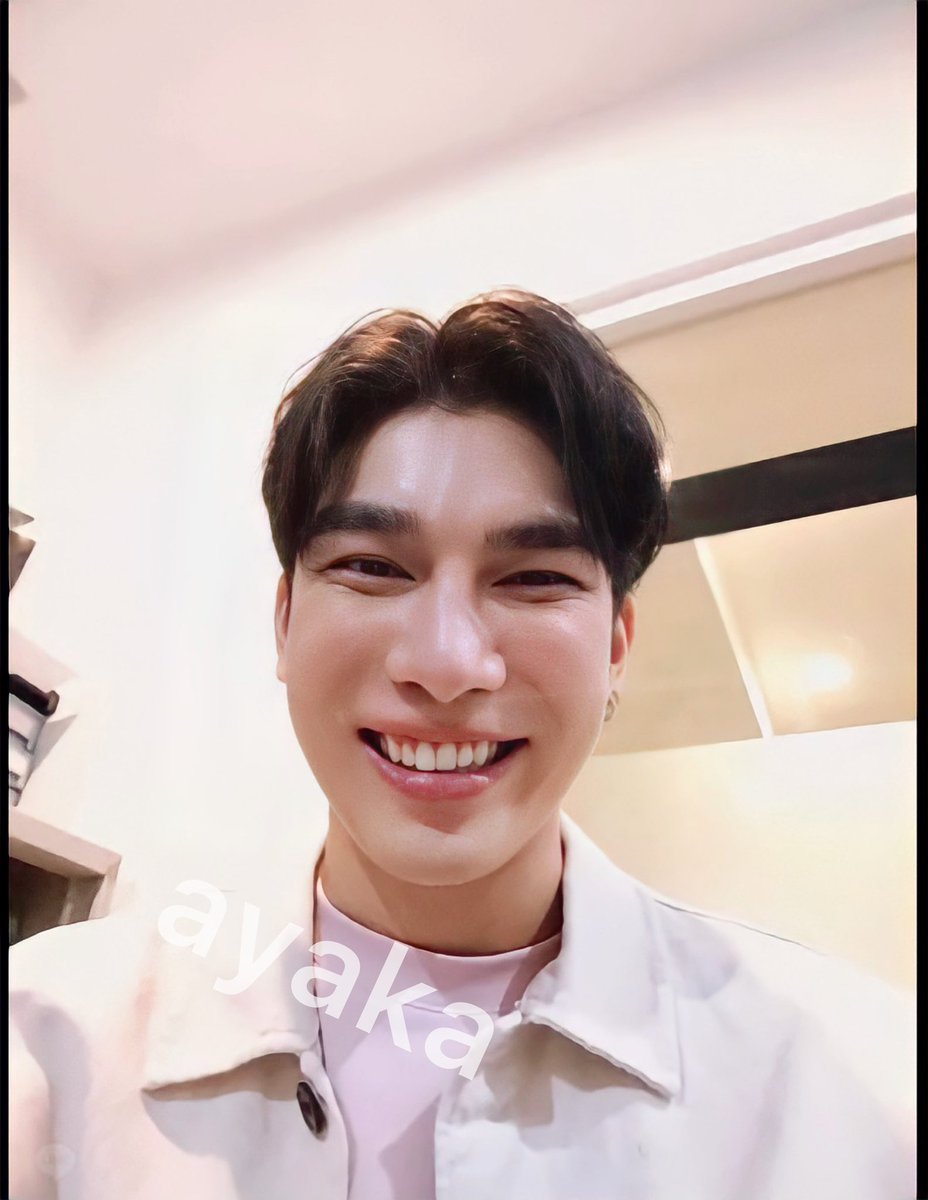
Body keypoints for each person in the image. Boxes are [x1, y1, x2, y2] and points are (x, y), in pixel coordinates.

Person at [9, 292, 915, 1200]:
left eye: (534, 578)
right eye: (372, 567)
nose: (446, 665)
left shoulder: (857, 1094)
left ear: (615, 650)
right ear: (284, 622)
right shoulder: (48, 1046)